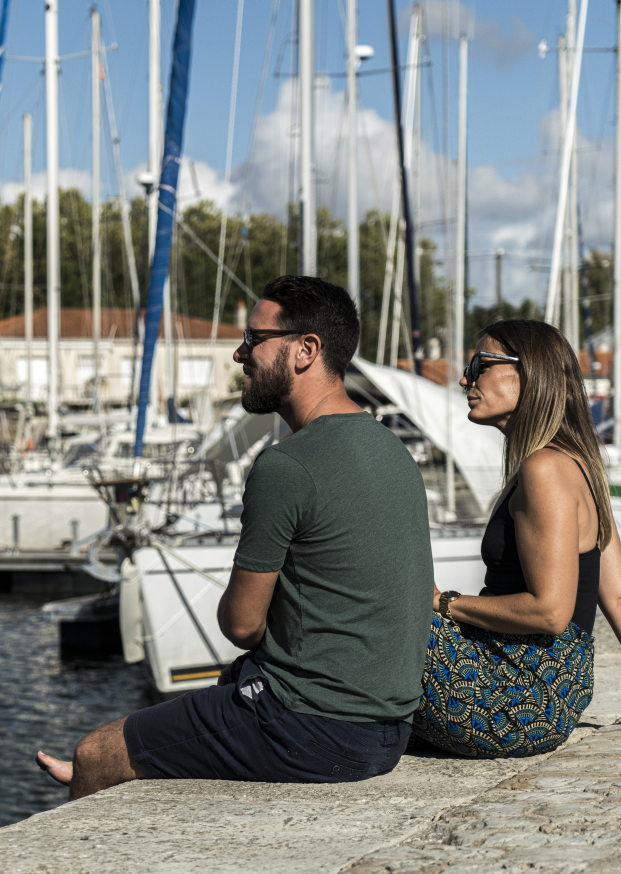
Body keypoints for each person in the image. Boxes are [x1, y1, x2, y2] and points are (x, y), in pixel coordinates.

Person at [37, 275, 434, 799]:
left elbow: (242, 624)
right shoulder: (394, 453)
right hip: (388, 732)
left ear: (304, 350)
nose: (238, 353)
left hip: (308, 728)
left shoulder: (288, 464)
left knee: (95, 754)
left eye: (254, 338)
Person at [419, 318, 621, 758]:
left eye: (480, 365)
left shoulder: (544, 470)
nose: (465, 378)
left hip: (514, 693)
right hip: (554, 700)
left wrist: (442, 603)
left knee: (380, 612)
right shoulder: (579, 466)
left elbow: (551, 613)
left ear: (529, 373)